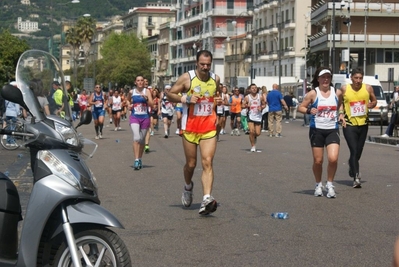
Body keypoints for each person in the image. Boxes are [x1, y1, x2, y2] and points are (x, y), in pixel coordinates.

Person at [167, 50, 222, 215]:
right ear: (196, 63)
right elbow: (169, 94)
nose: (205, 67)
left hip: (208, 127)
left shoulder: (215, 79)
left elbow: (214, 97)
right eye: (202, 64)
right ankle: (188, 186)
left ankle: (206, 198)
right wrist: (185, 99)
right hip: (190, 126)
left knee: (207, 161)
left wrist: (217, 103)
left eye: (208, 64)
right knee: (191, 164)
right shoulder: (187, 78)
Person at [298, 67, 342, 198]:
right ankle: (318, 184)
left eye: (328, 77)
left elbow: (341, 105)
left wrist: (341, 114)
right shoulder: (313, 93)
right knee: (318, 161)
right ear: (318, 79)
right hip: (317, 130)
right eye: (323, 77)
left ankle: (329, 184)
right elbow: (301, 107)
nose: (326, 80)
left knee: (333, 159)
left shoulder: (337, 92)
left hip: (332, 129)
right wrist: (308, 110)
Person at [339, 68, 377, 188]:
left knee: (358, 151)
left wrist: (373, 104)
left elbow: (374, 100)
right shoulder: (345, 89)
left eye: (360, 78)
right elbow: (339, 103)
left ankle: (352, 164)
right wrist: (340, 114)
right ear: (351, 78)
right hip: (349, 124)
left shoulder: (368, 88)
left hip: (363, 124)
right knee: (354, 150)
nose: (358, 80)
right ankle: (356, 177)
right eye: (356, 78)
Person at [129, 75, 153, 170]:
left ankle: (139, 158)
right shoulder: (132, 92)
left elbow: (152, 104)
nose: (140, 82)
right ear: (135, 82)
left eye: (141, 80)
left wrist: (146, 99)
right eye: (138, 80)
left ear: (144, 82)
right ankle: (135, 160)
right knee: (136, 137)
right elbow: (127, 101)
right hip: (135, 117)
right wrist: (128, 104)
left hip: (145, 117)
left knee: (142, 140)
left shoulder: (147, 91)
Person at [243, 84, 266, 152]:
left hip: (258, 116)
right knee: (252, 131)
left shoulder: (260, 96)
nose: (254, 89)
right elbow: (242, 105)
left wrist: (261, 107)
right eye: (252, 88)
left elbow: (264, 104)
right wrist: (247, 105)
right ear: (250, 89)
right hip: (250, 116)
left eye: (255, 88)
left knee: (258, 133)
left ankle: (254, 137)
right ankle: (253, 145)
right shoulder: (247, 97)